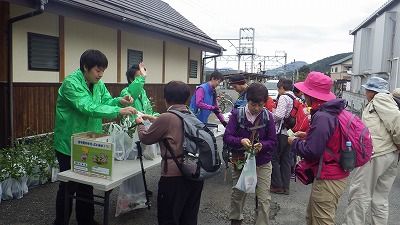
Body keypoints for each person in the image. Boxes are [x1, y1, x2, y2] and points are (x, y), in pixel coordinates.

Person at [53, 49, 136, 225]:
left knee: (87, 182)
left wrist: (119, 101)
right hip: (69, 142)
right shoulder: (70, 83)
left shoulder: (97, 83)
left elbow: (105, 101)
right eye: (98, 70)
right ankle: (61, 221)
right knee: (68, 184)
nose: (101, 74)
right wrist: (118, 110)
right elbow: (88, 107)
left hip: (90, 141)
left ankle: (86, 220)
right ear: (85, 67)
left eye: (103, 70)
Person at [134, 81, 204, 225]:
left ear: (165, 98)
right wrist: (156, 120)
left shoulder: (166, 118)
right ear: (187, 99)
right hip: (195, 174)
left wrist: (140, 124)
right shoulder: (190, 115)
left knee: (168, 218)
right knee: (189, 217)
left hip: (174, 177)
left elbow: (146, 138)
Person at [288, 71, 349, 225]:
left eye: (305, 92)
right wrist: (308, 136)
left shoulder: (323, 116)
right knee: (313, 217)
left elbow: (312, 151)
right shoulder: (331, 111)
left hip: (329, 177)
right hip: (334, 172)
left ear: (311, 94)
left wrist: (293, 142)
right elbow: (329, 141)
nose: (303, 95)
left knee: (322, 221)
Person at [345, 77, 400, 225]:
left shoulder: (380, 98)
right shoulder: (383, 100)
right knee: (380, 198)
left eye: (367, 89)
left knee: (359, 195)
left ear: (372, 90)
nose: (365, 91)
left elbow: (397, 121)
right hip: (390, 154)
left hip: (377, 154)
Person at [223, 83, 278, 225]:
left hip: (263, 162)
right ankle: (236, 220)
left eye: (261, 105)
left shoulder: (268, 116)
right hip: (241, 160)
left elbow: (273, 141)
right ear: (247, 100)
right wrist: (240, 141)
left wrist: (262, 145)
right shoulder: (237, 114)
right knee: (238, 193)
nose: (257, 109)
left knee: (263, 197)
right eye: (254, 105)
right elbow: (227, 137)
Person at [270, 78, 294, 195]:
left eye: (278, 89)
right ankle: (286, 187)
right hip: (290, 133)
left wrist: (270, 115)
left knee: (274, 159)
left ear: (282, 88)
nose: (278, 91)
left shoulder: (284, 97)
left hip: (281, 133)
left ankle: (276, 185)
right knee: (286, 160)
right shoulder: (295, 98)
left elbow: (279, 115)